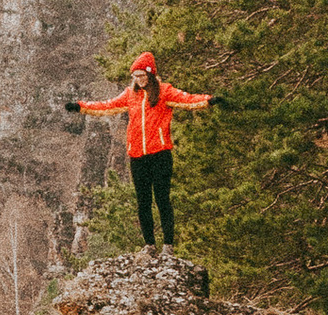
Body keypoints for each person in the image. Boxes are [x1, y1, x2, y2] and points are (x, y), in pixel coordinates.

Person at [66, 51, 219, 246]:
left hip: (160, 155)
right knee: (143, 204)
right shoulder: (131, 95)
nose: (138, 80)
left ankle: (168, 246)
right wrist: (80, 106)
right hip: (138, 157)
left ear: (151, 74)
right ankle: (149, 245)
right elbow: (106, 106)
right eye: (135, 76)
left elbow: (188, 100)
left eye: (142, 76)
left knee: (163, 201)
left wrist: (208, 100)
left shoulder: (165, 92)